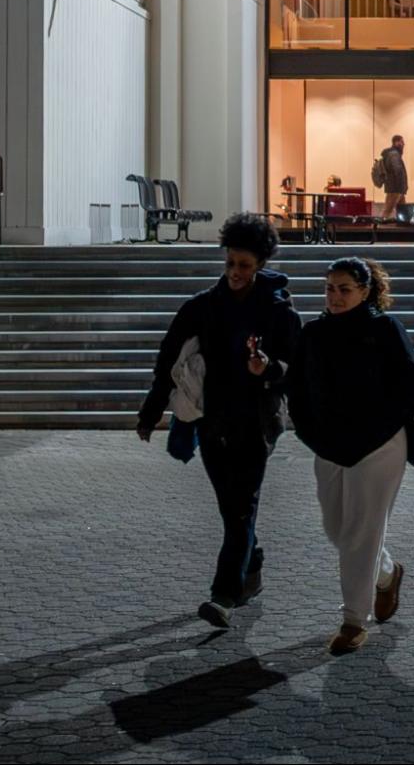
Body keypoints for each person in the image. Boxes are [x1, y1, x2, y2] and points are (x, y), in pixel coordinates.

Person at [136, 212, 302, 629]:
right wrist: (152, 410)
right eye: (230, 263)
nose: (235, 272)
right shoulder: (202, 307)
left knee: (241, 509)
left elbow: (298, 366)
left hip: (255, 424)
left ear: (260, 264)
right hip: (211, 425)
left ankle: (223, 595)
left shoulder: (278, 312)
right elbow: (168, 359)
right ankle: (254, 563)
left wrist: (269, 369)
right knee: (233, 510)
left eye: (244, 265)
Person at [282, 256, 414, 656]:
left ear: (365, 291)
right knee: (337, 530)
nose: (335, 296)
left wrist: (378, 426)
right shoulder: (313, 333)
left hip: (379, 445)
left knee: (360, 532)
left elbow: (411, 385)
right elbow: (295, 386)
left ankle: (352, 621)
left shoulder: (383, 329)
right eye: (330, 288)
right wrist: (308, 430)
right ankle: (385, 574)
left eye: (345, 288)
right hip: (328, 445)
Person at [374, 135, 408, 220]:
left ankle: (403, 227)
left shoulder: (393, 154)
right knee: (387, 210)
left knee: (403, 210)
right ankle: (380, 229)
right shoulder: (394, 155)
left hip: (397, 188)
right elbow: (397, 170)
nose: (403, 144)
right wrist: (401, 185)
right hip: (395, 188)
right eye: (401, 142)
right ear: (396, 142)